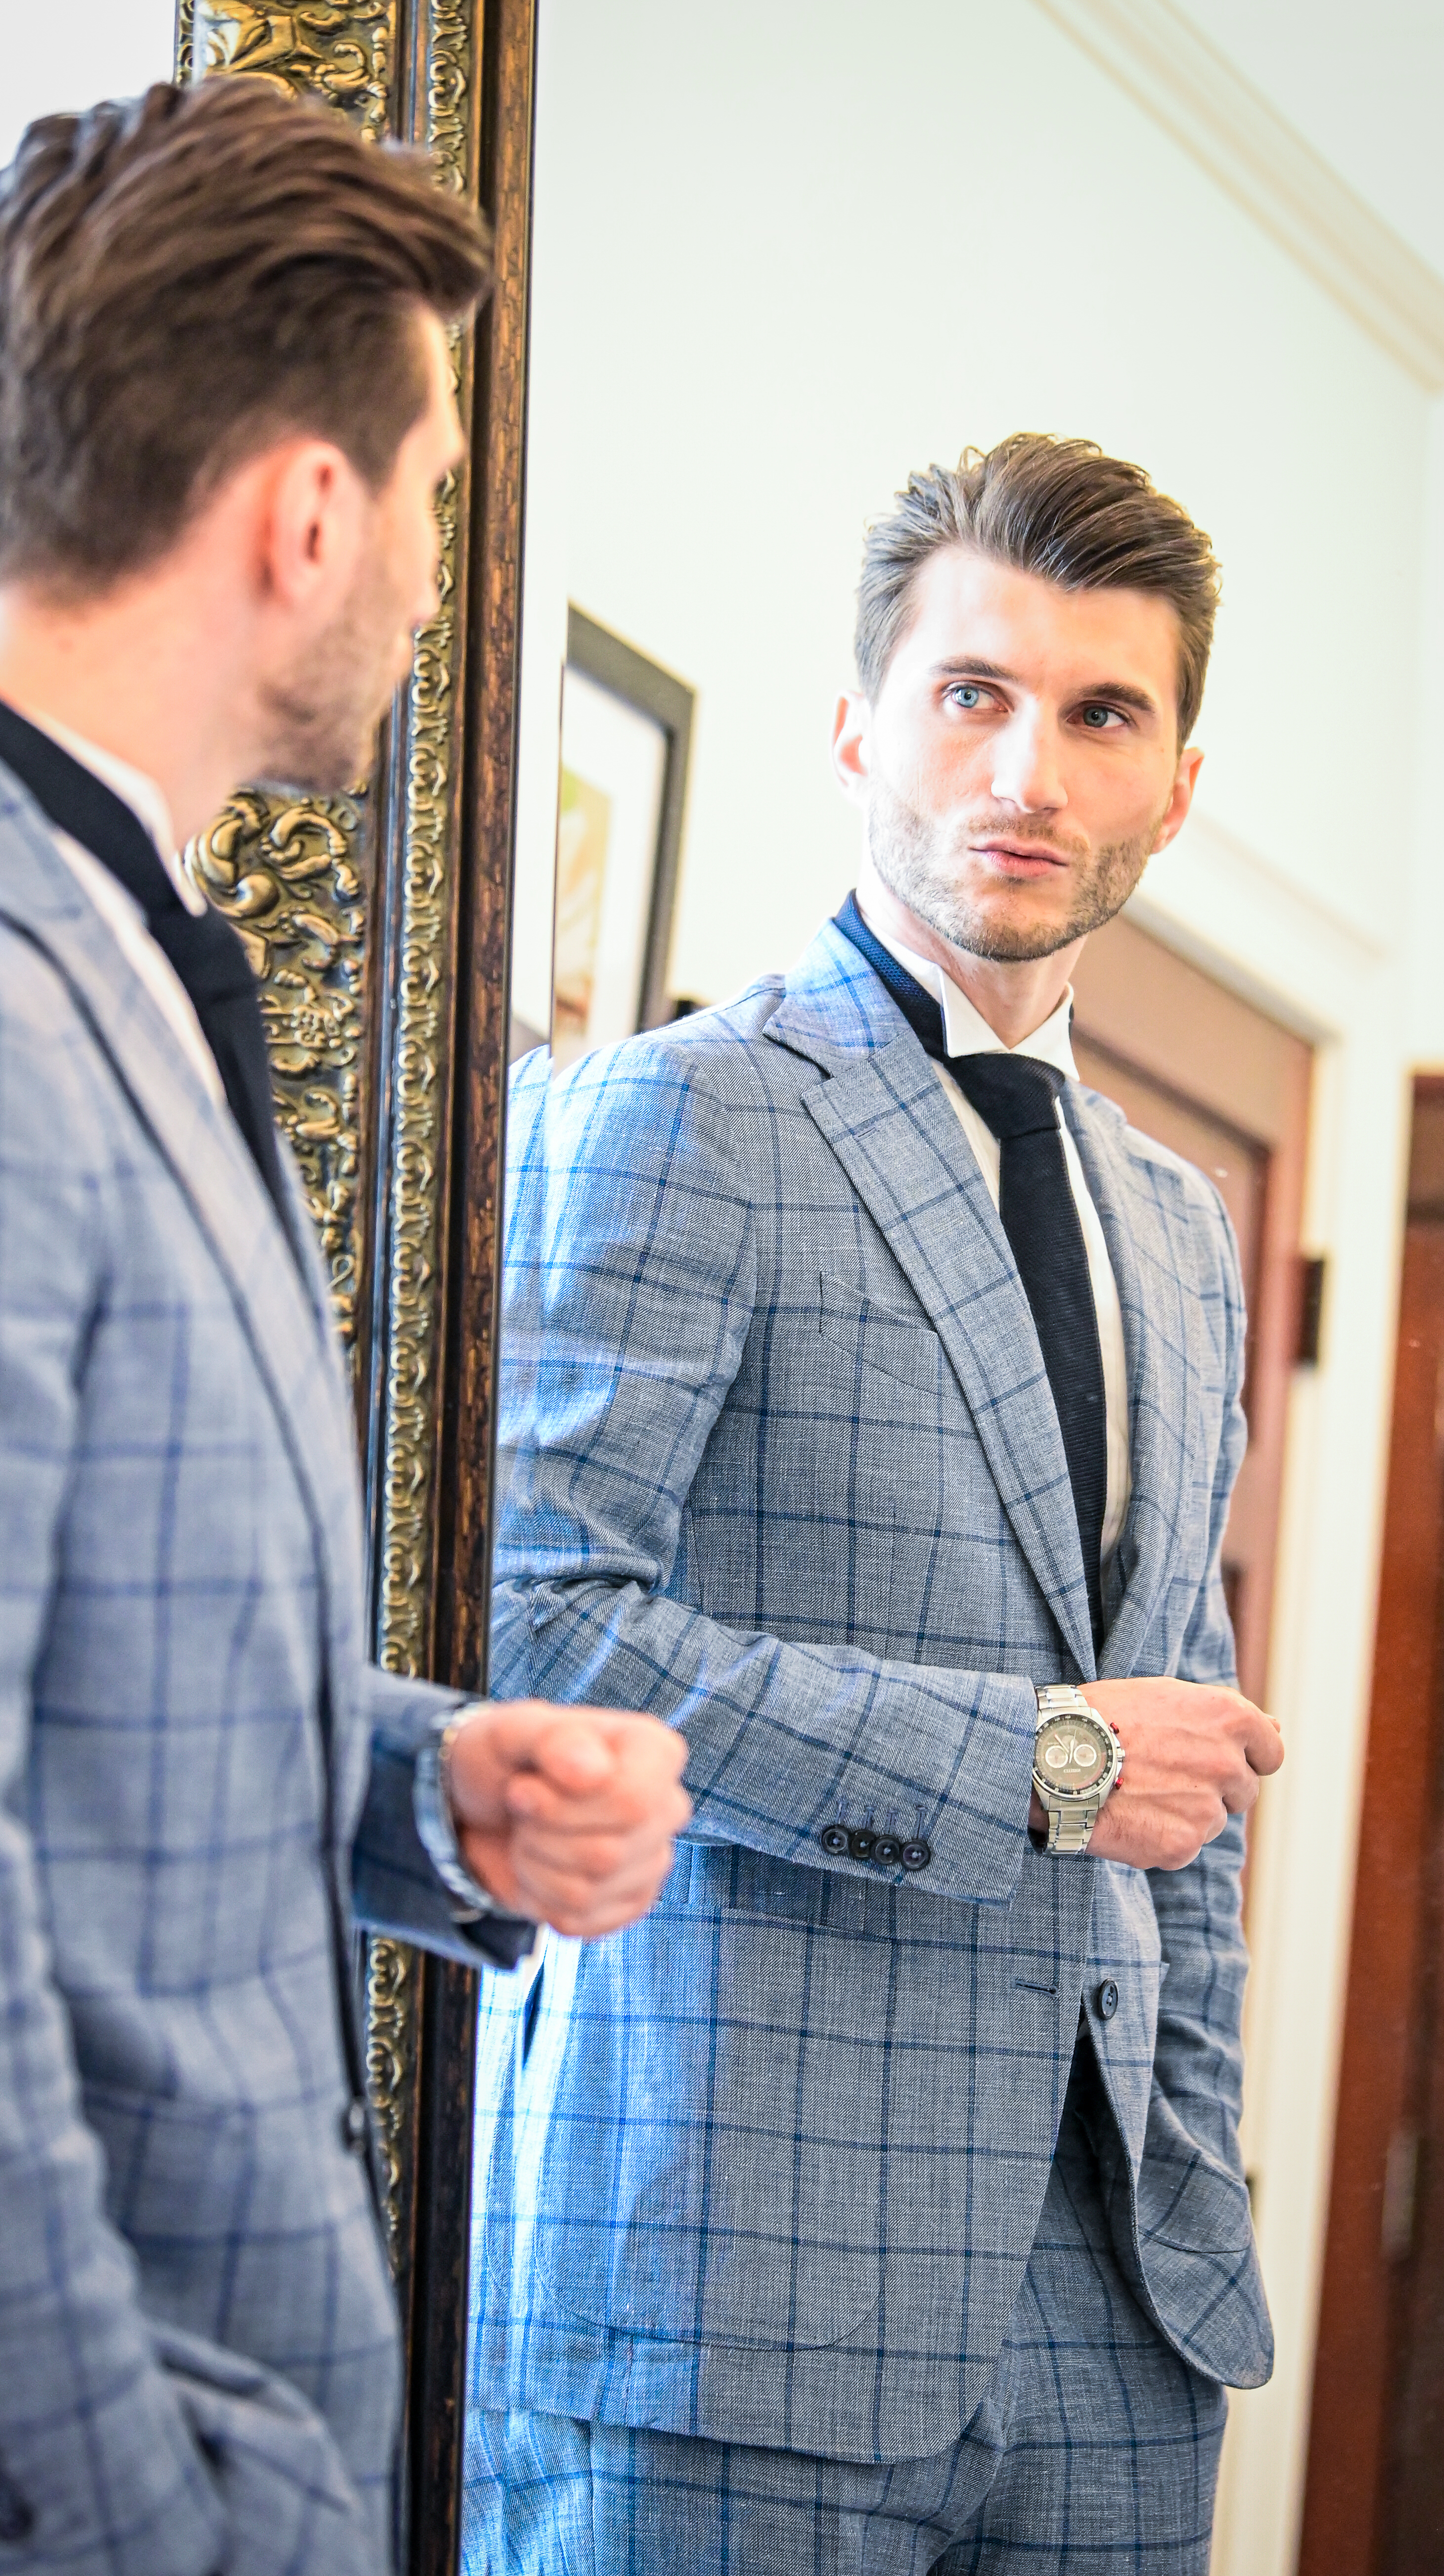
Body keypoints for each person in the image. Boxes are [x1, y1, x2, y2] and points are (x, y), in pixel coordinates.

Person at [0, 80, 690, 2576]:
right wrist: (118, 2524)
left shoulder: (88, 956)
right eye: (440, 486)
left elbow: (33, 1689)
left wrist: (417, 1783)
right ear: (308, 508)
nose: (434, 566)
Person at [467, 434, 1288, 2572]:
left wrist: (1194, 2184)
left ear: (1174, 782)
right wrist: (1037, 1759)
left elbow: (1176, 1760)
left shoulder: (1181, 1228)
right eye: (971, 693)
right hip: (718, 2304)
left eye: (1101, 714)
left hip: (1114, 2326)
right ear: (856, 728)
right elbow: (532, 1638)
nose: (1028, 766)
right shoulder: (676, 1118)